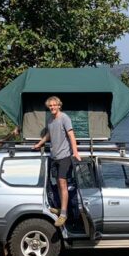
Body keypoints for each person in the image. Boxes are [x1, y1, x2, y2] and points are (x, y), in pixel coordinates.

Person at [33, 95, 81, 227]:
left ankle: (64, 214)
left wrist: (75, 152)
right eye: (50, 106)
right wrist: (39, 143)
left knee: (62, 182)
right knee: (59, 184)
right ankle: (61, 208)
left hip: (65, 156)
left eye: (55, 105)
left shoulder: (64, 118)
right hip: (54, 157)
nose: (52, 107)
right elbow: (49, 135)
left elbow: (71, 135)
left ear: (59, 105)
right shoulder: (50, 120)